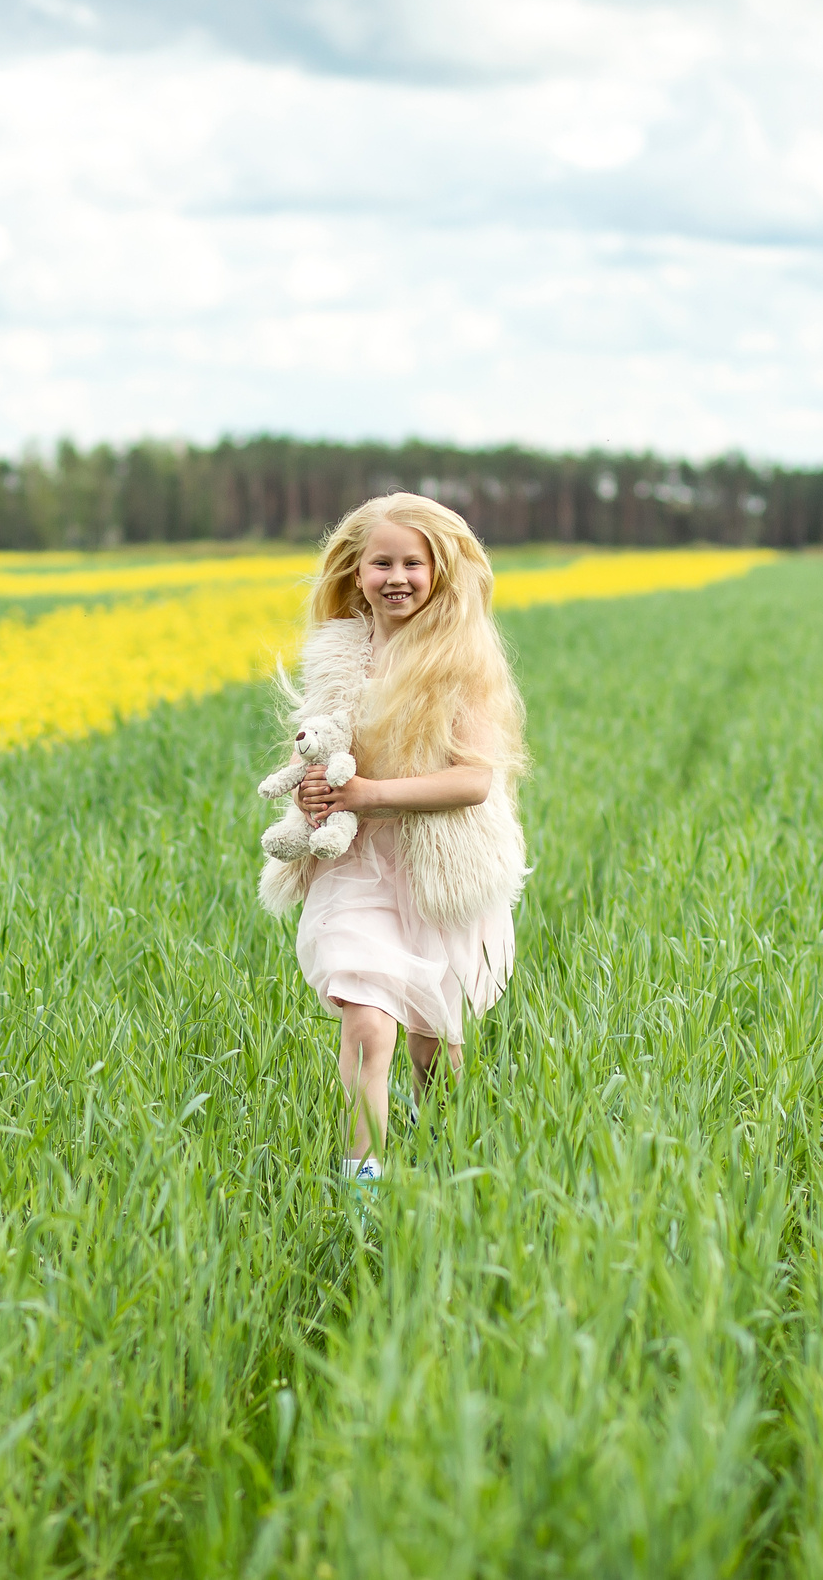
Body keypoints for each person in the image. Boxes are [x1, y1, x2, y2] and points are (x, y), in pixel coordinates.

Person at [259, 494, 530, 1183]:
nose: (398, 576)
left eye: (415, 562)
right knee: (369, 1020)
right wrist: (314, 791)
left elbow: (473, 781)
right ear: (356, 573)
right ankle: (363, 1180)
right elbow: (328, 753)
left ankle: (445, 1150)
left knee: (435, 1044)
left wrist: (371, 795)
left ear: (440, 572)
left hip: (438, 867)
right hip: (356, 864)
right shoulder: (338, 657)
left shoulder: (460, 661)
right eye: (382, 562)